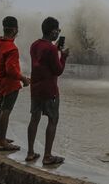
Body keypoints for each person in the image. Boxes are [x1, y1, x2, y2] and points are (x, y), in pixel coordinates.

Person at [26, 16, 69, 164]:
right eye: (58, 30)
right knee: (53, 120)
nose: (58, 32)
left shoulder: (35, 45)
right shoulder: (51, 48)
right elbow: (58, 70)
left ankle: (30, 153)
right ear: (52, 32)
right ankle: (47, 156)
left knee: (34, 119)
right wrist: (63, 57)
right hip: (50, 90)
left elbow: (43, 59)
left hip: (36, 89)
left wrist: (55, 49)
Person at [0, 16, 30, 151]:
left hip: (1, 82)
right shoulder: (12, 48)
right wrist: (23, 78)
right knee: (6, 111)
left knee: (1, 110)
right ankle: (2, 142)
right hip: (10, 84)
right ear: (14, 29)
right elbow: (11, 70)